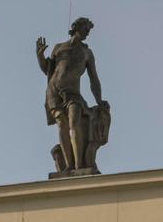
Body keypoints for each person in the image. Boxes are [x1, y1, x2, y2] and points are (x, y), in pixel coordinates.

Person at [36, 18, 109, 175]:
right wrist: (40, 56)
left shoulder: (87, 53)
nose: (87, 32)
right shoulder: (59, 48)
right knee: (62, 124)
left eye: (88, 30)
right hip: (54, 91)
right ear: (76, 27)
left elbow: (94, 79)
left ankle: (78, 165)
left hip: (73, 93)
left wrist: (99, 100)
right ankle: (69, 166)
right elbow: (47, 70)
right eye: (85, 28)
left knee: (74, 121)